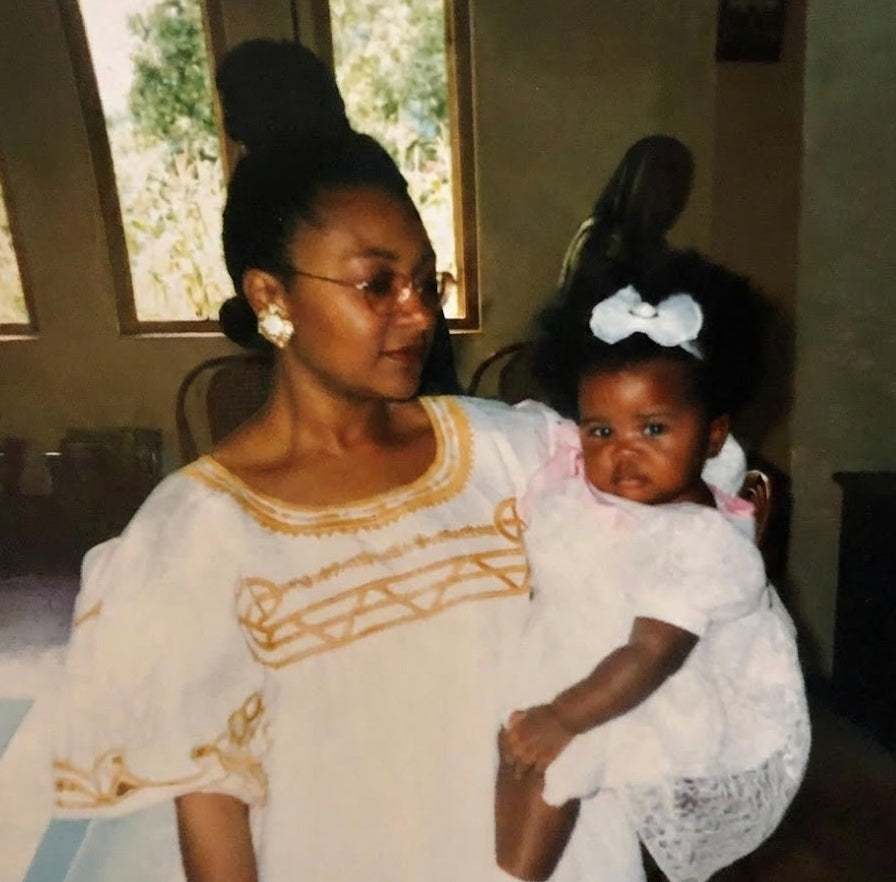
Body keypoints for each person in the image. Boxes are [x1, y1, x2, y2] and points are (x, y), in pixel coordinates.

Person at [495, 249, 810, 882]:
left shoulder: (702, 543)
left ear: (714, 436)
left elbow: (650, 656)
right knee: (512, 749)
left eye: (654, 429)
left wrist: (563, 717)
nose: (623, 456)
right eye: (601, 432)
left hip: (652, 695)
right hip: (587, 660)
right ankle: (502, 861)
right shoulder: (602, 487)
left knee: (560, 757)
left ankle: (516, 874)